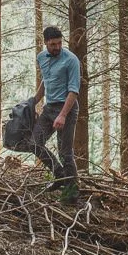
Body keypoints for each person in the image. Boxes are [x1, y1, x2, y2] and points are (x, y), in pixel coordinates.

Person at [33, 25, 80, 193]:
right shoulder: (41, 57)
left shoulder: (71, 60)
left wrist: (62, 115)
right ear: (46, 43)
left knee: (65, 153)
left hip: (67, 107)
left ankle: (72, 193)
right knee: (35, 143)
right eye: (53, 44)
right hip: (49, 107)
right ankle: (59, 175)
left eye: (60, 43)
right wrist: (34, 101)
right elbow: (46, 80)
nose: (57, 47)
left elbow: (74, 90)